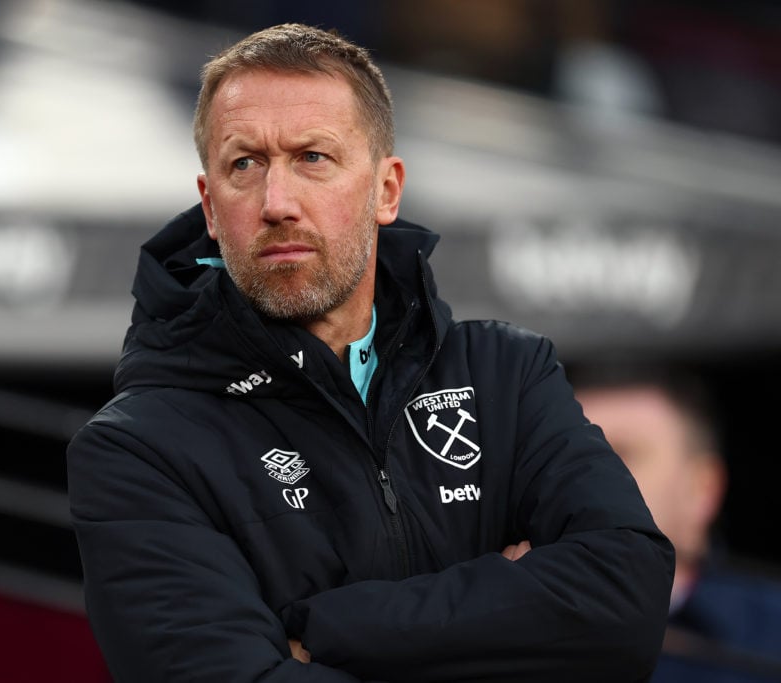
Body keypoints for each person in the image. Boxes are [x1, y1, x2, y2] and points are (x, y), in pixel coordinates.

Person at [67, 23, 673, 682]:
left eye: (313, 158)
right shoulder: (137, 449)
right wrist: (508, 608)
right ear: (210, 207)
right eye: (244, 163)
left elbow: (626, 598)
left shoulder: (507, 375)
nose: (277, 202)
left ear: (387, 190)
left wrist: (325, 626)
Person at [574, 366, 781, 682]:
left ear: (701, 491)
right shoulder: (499, 627)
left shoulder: (770, 632)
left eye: (622, 453)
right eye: (564, 455)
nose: (580, 476)